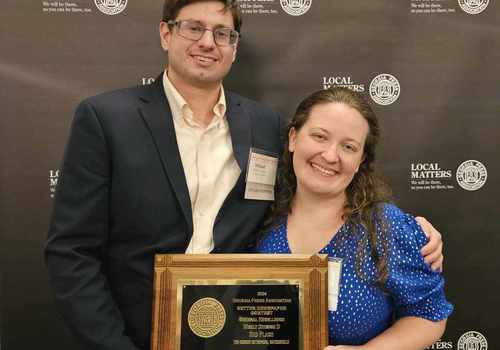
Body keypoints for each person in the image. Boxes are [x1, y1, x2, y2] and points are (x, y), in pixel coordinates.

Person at [45, 1, 444, 350]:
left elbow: (317, 193)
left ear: (234, 49)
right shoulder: (107, 118)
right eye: (193, 27)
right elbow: (72, 251)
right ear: (166, 33)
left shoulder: (262, 125)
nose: (207, 42)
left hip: (235, 336)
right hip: (134, 335)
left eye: (223, 33)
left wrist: (413, 231)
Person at [257, 87, 453, 349]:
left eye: (348, 147)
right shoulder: (258, 215)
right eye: (319, 136)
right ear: (293, 138)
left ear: (360, 159)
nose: (330, 155)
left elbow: (428, 315)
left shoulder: (386, 227)